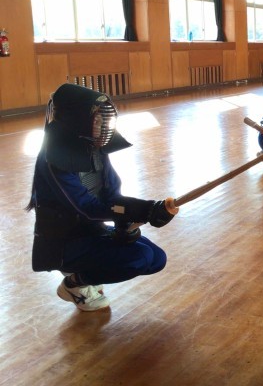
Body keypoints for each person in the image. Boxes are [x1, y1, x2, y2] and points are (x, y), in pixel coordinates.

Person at [26, 83, 177, 312]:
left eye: (103, 120)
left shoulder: (93, 148)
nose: (102, 125)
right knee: (140, 258)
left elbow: (112, 195)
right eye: (95, 120)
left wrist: (147, 211)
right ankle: (74, 284)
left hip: (91, 231)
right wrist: (143, 210)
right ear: (76, 119)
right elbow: (85, 207)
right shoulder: (54, 157)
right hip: (64, 242)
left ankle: (86, 271)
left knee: (156, 258)